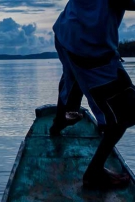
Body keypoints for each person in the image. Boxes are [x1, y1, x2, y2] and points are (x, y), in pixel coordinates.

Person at [50, 0, 135, 189]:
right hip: (89, 45)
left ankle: (60, 122)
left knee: (72, 78)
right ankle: (94, 173)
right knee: (126, 111)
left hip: (66, 31)